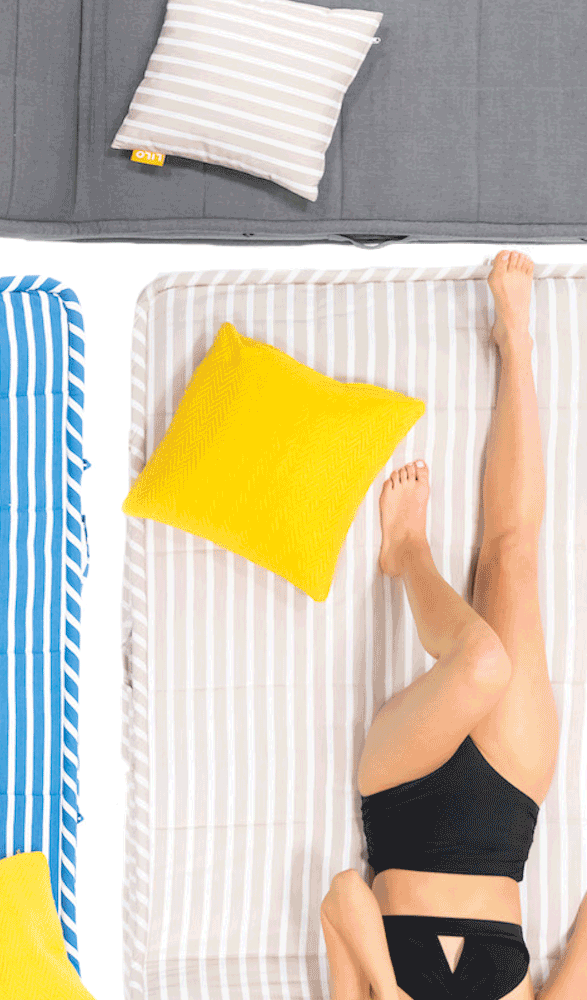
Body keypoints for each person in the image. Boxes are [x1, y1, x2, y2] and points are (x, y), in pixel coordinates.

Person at [319, 251, 581, 1000]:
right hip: (507, 817)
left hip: (404, 794)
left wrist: (390, 991)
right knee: (514, 560)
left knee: (480, 665)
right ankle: (517, 344)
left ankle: (408, 552)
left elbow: (343, 896)